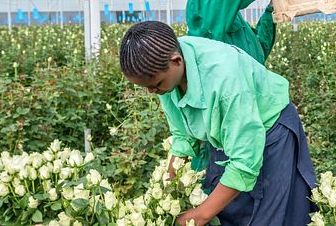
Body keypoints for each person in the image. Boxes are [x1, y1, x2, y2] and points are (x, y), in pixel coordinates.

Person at [119, 21, 316, 226]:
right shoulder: (164, 72)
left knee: (269, 216)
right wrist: (167, 191)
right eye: (147, 88)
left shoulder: (225, 80)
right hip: (228, 133)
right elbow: (182, 135)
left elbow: (244, 162)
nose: (152, 92)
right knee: (229, 211)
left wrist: (200, 215)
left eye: (156, 85)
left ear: (176, 61)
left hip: (271, 130)